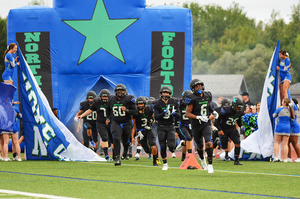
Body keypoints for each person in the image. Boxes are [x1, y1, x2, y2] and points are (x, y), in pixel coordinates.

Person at [185, 79, 216, 173]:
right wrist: (198, 117)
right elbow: (187, 113)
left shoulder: (207, 95)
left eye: (200, 85)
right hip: (196, 125)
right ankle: (202, 160)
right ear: (193, 88)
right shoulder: (192, 98)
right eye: (196, 86)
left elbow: (209, 107)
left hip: (206, 123)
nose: (199, 87)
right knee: (199, 146)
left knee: (209, 143)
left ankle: (210, 164)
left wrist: (213, 112)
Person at [106, 84, 137, 166]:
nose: (119, 92)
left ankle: (126, 150)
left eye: (121, 90)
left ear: (124, 91)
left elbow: (135, 112)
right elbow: (108, 110)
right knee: (116, 138)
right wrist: (108, 118)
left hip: (127, 122)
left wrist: (126, 110)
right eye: (117, 90)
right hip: (116, 122)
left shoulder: (129, 99)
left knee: (126, 141)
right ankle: (117, 158)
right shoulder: (111, 99)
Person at [78, 89, 113, 160]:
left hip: (109, 123)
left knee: (112, 139)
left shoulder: (111, 102)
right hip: (97, 123)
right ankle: (105, 154)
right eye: (103, 97)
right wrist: (81, 116)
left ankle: (115, 154)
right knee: (103, 137)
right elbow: (89, 110)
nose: (104, 98)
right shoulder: (96, 103)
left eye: (106, 97)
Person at [210, 97, 244, 165]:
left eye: (240, 107)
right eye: (237, 107)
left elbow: (238, 120)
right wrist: (219, 130)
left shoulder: (240, 111)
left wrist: (241, 126)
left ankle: (236, 160)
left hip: (232, 129)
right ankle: (217, 142)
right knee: (224, 147)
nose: (238, 109)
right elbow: (218, 119)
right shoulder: (226, 110)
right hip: (224, 129)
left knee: (237, 142)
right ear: (234, 106)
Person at [153, 86, 180, 170]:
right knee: (163, 145)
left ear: (169, 94)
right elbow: (156, 117)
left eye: (167, 93)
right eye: (164, 93)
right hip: (161, 126)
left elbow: (179, 116)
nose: (165, 94)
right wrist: (163, 114)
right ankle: (165, 163)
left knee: (172, 146)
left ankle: (171, 147)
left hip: (170, 126)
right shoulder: (157, 103)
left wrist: (174, 114)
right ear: (161, 94)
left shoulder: (174, 102)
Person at [132, 96, 160, 166]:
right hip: (140, 131)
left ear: (144, 104)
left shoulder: (149, 109)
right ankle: (151, 153)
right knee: (147, 149)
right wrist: (132, 137)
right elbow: (133, 126)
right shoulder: (135, 112)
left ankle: (155, 161)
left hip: (149, 129)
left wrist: (153, 120)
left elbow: (155, 117)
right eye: (139, 104)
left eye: (141, 104)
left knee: (153, 145)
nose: (140, 105)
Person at [273, 98, 294, 162]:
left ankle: (276, 157)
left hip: (280, 127)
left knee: (276, 142)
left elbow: (274, 115)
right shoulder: (290, 110)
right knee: (285, 144)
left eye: (282, 101)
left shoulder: (279, 109)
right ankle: (285, 159)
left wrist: (279, 108)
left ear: (284, 103)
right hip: (287, 127)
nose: (281, 102)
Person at [175, 90, 194, 161]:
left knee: (187, 141)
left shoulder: (193, 104)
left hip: (191, 125)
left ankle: (183, 157)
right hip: (183, 124)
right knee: (188, 138)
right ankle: (189, 155)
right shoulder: (180, 104)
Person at [287, 98, 300, 162]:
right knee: (287, 143)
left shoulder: (294, 108)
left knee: (294, 143)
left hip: (294, 127)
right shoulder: (290, 109)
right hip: (289, 126)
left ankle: (299, 157)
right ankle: (289, 157)